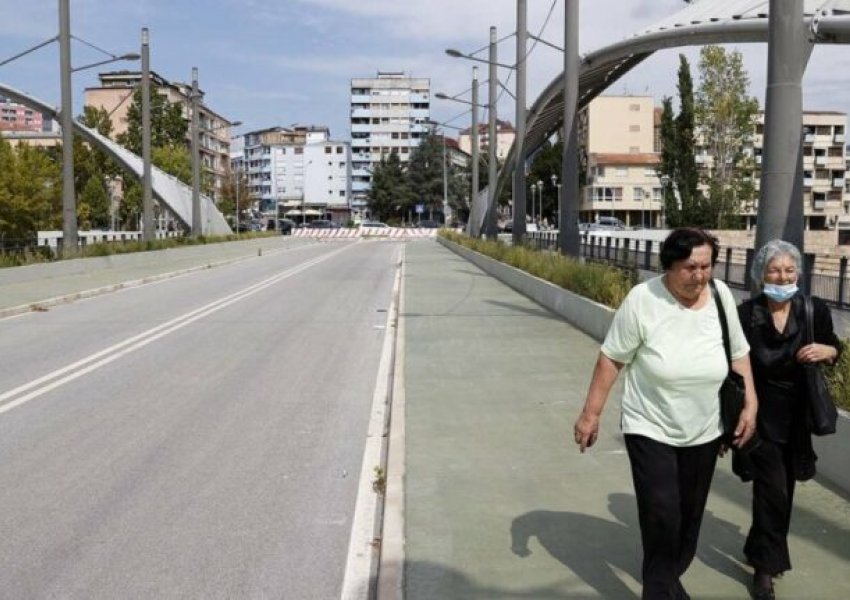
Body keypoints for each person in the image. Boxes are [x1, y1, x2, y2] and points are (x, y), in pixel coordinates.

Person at [573, 227, 758, 600]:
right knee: (662, 513)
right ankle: (659, 591)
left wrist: (751, 401)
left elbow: (738, 353)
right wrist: (590, 414)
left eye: (707, 266)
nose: (700, 275)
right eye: (691, 267)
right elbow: (611, 358)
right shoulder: (643, 299)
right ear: (669, 266)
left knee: (689, 519)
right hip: (650, 425)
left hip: (705, 428)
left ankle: (668, 581)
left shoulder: (720, 296)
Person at [736, 240, 841, 600]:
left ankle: (758, 548)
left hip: (797, 416)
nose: (782, 276)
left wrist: (828, 351)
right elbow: (733, 364)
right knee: (773, 490)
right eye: (774, 270)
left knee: (783, 491)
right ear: (760, 273)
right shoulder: (746, 314)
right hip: (758, 412)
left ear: (798, 272)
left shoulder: (813, 311)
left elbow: (834, 348)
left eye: (789, 270)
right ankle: (765, 570)